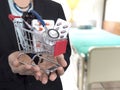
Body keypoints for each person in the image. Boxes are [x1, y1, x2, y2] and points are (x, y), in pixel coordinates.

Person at [0, 0, 71, 90]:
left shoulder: (54, 8)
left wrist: (56, 59)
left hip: (47, 86)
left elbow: (65, 50)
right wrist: (7, 63)